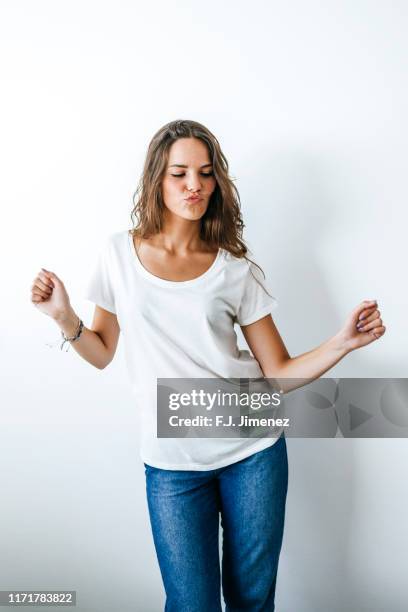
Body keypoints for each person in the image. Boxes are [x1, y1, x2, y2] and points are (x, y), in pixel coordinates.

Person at [31, 119, 386, 611]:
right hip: (173, 467)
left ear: (217, 181)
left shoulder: (233, 269)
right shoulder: (118, 254)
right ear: (157, 178)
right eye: (179, 173)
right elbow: (101, 353)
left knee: (251, 600)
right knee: (190, 603)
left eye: (204, 173)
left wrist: (343, 342)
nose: (193, 185)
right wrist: (64, 317)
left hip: (253, 452)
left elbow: (278, 372)